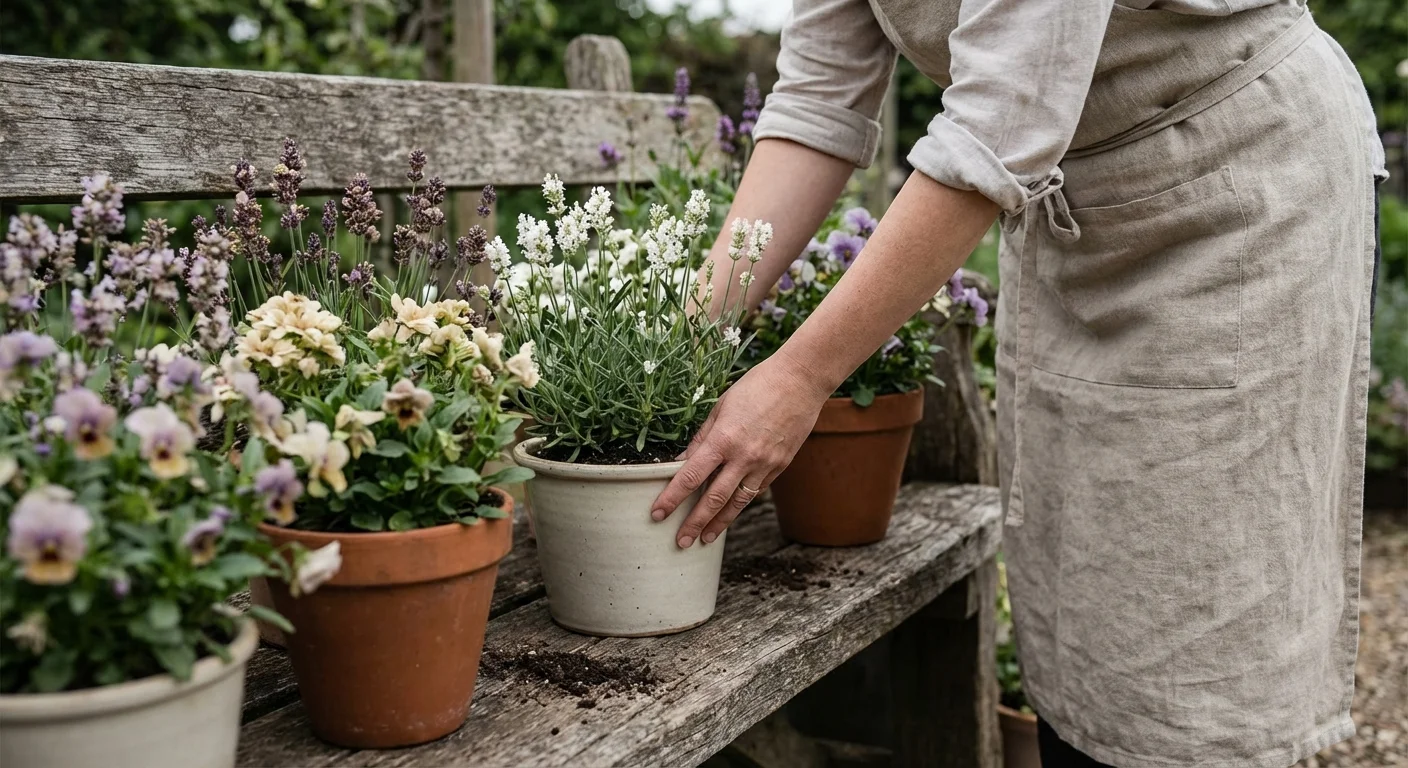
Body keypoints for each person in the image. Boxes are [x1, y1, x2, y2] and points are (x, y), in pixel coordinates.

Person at [646, 1, 1386, 766]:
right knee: (1089, 602)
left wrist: (799, 376)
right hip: (1079, 202)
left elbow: (999, 126)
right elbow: (817, 99)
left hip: (1232, 195)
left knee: (1198, 624)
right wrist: (680, 343)